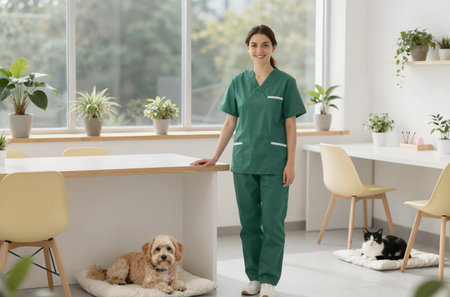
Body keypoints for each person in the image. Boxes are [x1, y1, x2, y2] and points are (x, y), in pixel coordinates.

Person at [191, 24, 306, 297]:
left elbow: (291, 126)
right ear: (248, 48)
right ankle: (254, 277)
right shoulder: (238, 82)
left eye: (265, 45)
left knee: (274, 224)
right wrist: (215, 156)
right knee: (249, 224)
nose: (259, 50)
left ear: (273, 48)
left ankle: (269, 280)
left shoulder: (286, 82)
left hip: (275, 162)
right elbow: (230, 122)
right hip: (243, 160)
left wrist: (291, 163)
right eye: (254, 45)